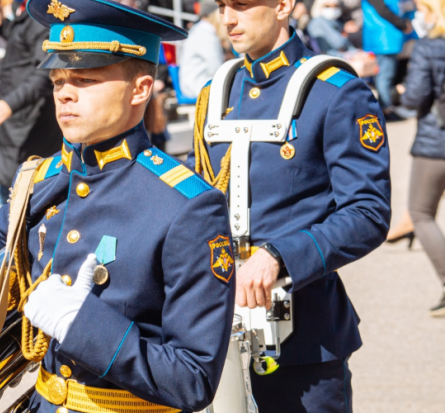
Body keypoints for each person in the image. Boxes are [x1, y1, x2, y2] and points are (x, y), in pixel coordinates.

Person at [0, 0, 236, 411]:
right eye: (58, 79)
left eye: (84, 79)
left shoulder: (187, 206)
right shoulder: (44, 178)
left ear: (140, 89)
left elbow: (192, 379)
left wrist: (83, 325)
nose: (64, 92)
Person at [191, 0, 391, 409]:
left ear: (283, 6)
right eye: (223, 5)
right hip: (216, 332)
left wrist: (278, 255)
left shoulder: (335, 91)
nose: (228, 18)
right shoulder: (217, 92)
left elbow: (368, 212)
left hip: (303, 340)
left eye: (242, 5)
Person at [0, 0, 62, 204]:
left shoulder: (41, 16)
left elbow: (44, 72)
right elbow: (22, 43)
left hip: (28, 117)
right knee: (0, 186)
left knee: (6, 189)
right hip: (16, 118)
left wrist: (9, 103)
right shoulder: (24, 11)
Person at [398, 0, 445, 317]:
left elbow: (415, 97)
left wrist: (402, 90)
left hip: (435, 142)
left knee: (421, 213)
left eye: (422, 9)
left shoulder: (429, 47)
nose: (417, 16)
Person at [362, 0, 415, 119]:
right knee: (385, 76)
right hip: (384, 39)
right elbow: (383, 10)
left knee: (388, 75)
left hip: (390, 38)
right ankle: (386, 109)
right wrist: (402, 24)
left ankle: (387, 107)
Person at [179, 0, 226, 98]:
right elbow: (217, 70)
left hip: (190, 85)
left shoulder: (198, 30)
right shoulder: (206, 35)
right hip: (199, 86)